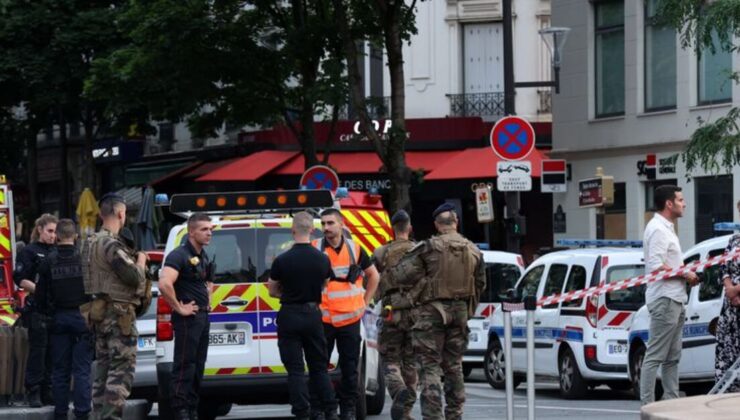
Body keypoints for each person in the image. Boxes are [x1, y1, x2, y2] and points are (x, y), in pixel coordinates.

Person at [387, 203, 485, 420]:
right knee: (454, 365)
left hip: (431, 314)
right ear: (456, 222)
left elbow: (401, 275)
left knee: (429, 367)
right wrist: (466, 310)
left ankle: (433, 416)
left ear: (436, 224)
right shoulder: (473, 250)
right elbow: (480, 285)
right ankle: (454, 414)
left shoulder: (429, 247)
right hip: (460, 313)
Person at [82, 193, 147, 420]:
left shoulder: (90, 243)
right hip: (119, 316)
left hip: (99, 313)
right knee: (121, 371)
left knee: (103, 371)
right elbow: (133, 277)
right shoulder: (110, 244)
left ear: (101, 214)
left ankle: (100, 416)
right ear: (121, 213)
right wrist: (141, 261)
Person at [267, 211, 338, 420]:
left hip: (289, 314)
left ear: (292, 230)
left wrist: (288, 293)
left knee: (296, 370)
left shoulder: (281, 260)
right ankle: (331, 410)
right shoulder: (323, 259)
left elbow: (272, 290)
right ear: (312, 230)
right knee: (319, 367)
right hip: (313, 314)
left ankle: (302, 412)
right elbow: (324, 286)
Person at [311, 208, 380, 420]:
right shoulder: (315, 249)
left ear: (341, 224)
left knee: (350, 368)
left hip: (350, 318)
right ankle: (319, 407)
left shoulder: (355, 248)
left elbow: (374, 276)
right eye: (323, 224)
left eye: (330, 223)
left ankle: (348, 408)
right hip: (323, 319)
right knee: (318, 366)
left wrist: (364, 303)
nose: (326, 228)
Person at [640, 185, 699, 405]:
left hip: (675, 298)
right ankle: (647, 406)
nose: (684, 204)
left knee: (673, 358)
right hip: (665, 299)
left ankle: (671, 405)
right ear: (669, 203)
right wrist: (685, 273)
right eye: (681, 200)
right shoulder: (657, 228)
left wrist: (685, 275)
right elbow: (656, 265)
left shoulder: (667, 228)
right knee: (655, 356)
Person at [158, 212, 214, 420]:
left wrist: (206, 300)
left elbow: (207, 281)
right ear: (191, 232)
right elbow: (164, 283)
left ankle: (191, 408)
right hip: (187, 320)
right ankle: (180, 410)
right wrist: (179, 308)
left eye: (210, 229)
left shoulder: (202, 255)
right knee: (185, 365)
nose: (209, 233)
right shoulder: (178, 255)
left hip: (201, 317)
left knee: (198, 366)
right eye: (204, 229)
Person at [35, 219, 92, 420]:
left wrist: (48, 314)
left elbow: (40, 296)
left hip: (58, 318)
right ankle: (82, 413)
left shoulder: (48, 261)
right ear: (75, 236)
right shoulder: (85, 260)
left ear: (57, 236)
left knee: (60, 371)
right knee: (82, 370)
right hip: (83, 318)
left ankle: (60, 414)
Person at [373, 210, 418, 420]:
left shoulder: (382, 252)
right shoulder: (420, 250)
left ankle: (398, 389)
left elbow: (372, 282)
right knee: (410, 360)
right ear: (409, 227)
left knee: (390, 359)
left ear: (393, 228)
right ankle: (406, 411)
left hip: (391, 312)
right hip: (415, 312)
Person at [14, 213, 57, 407]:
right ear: (40, 229)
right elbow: (21, 279)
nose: (53, 235)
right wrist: (41, 290)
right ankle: (33, 391)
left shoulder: (57, 250)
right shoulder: (29, 251)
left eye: (55, 232)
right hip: (38, 308)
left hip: (55, 308)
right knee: (38, 352)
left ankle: (48, 391)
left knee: (52, 352)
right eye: (49, 231)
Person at [715, 200, 740, 391]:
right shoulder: (734, 240)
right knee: (728, 356)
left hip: (736, 296)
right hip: (731, 311)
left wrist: (736, 289)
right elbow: (723, 266)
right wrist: (729, 286)